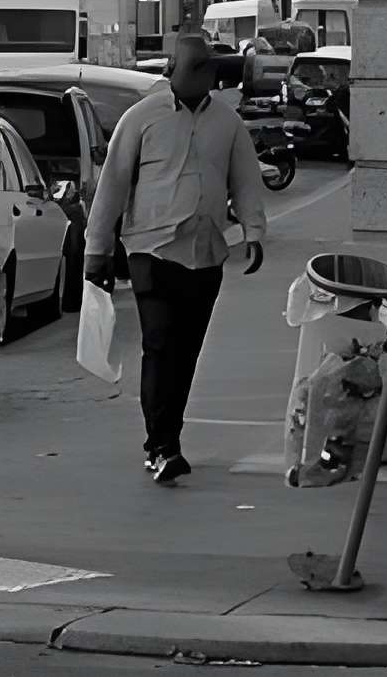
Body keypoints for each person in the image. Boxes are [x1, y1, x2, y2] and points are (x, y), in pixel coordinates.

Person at [84, 31, 268, 485]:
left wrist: (254, 231)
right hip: (151, 249)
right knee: (160, 343)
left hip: (205, 253)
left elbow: (245, 181)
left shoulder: (227, 122)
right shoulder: (140, 118)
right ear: (182, 72)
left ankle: (170, 437)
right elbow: (112, 186)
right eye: (200, 69)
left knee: (185, 353)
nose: (207, 78)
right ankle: (161, 446)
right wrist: (97, 250)